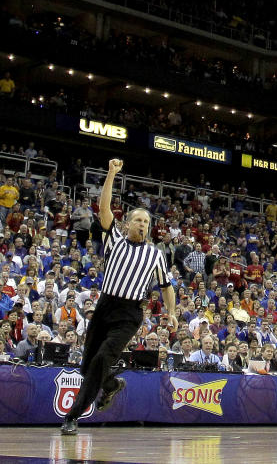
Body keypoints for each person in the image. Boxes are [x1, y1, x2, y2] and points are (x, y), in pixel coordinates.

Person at [60, 159, 178, 435]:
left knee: (101, 358)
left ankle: (73, 416)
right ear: (127, 224)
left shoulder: (156, 254)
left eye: (147, 222)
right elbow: (103, 207)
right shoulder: (113, 239)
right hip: (104, 306)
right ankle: (112, 385)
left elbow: (167, 286)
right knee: (86, 364)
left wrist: (171, 312)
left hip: (129, 314)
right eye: (138, 219)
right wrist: (111, 174)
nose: (143, 224)